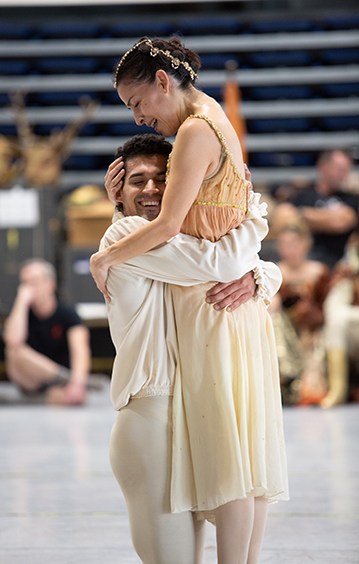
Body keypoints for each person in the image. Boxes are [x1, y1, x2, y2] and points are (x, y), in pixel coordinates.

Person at [91, 37, 289, 564]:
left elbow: (211, 255)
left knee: (242, 477)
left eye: (167, 178)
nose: (154, 189)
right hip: (154, 422)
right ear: (117, 191)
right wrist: (254, 225)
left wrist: (259, 274)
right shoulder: (126, 239)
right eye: (138, 182)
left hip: (191, 403)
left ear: (162, 82)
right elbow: (216, 260)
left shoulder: (164, 230)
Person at [0, 258, 91, 406]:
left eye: (35, 281)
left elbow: (80, 349)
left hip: (59, 383)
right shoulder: (22, 314)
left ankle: (35, 400)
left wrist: (78, 381)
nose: (29, 287)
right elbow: (13, 341)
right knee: (13, 351)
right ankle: (71, 380)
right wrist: (21, 301)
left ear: (51, 284)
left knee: (70, 398)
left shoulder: (67, 314)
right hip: (32, 379)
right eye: (25, 282)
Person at [269, 223, 331, 405]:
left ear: (305, 243)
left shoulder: (319, 272)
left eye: (293, 243)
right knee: (274, 318)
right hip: (284, 334)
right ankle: (285, 378)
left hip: (314, 332)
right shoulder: (274, 272)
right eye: (283, 244)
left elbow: (326, 308)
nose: (288, 249)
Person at [272, 149, 358, 269]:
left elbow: (340, 222)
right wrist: (326, 218)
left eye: (346, 170)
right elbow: (281, 219)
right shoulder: (303, 195)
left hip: (337, 265)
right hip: (301, 265)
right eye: (339, 169)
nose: (343, 174)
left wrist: (301, 216)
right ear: (322, 166)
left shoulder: (351, 199)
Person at [322, 229, 359, 407]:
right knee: (336, 323)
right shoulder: (346, 271)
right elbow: (332, 309)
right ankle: (338, 390)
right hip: (354, 332)